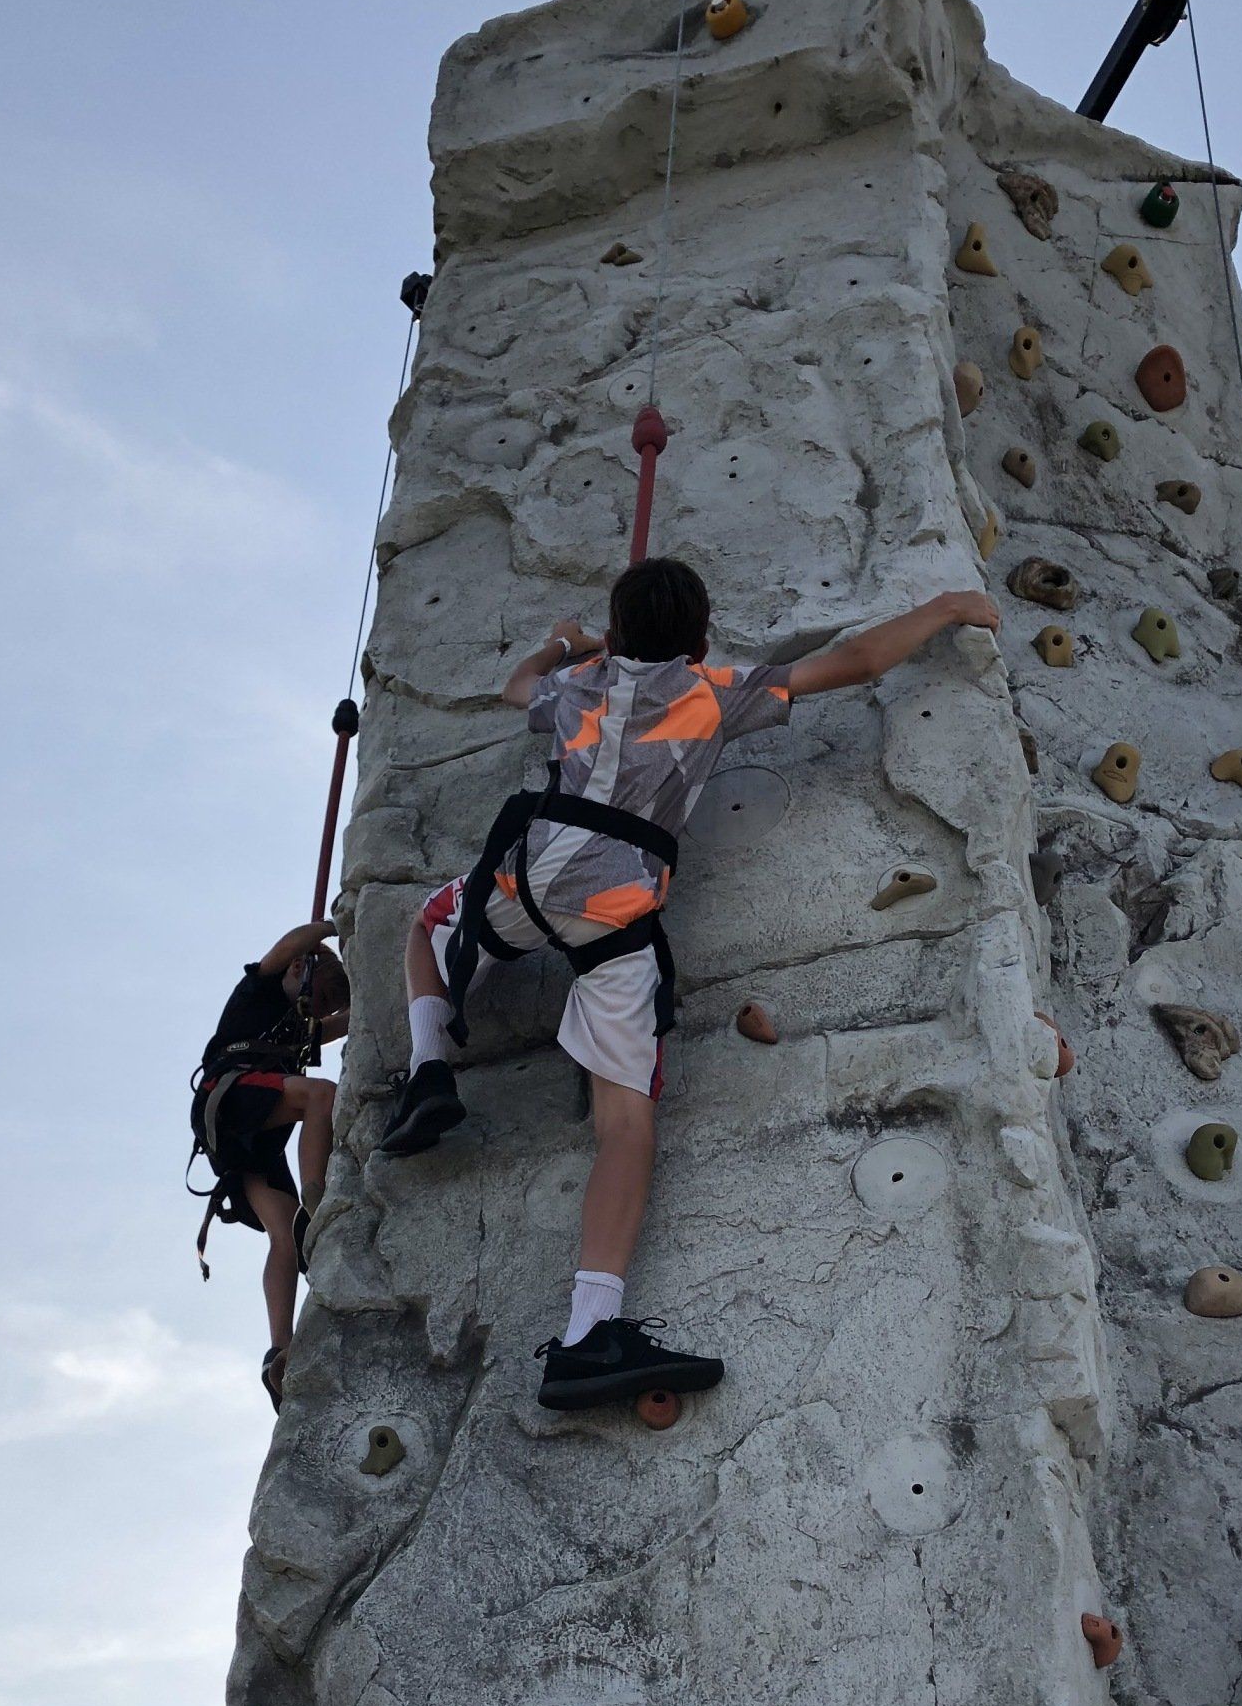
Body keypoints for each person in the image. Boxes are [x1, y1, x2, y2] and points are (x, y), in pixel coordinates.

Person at [375, 555, 1002, 1410]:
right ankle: (590, 1330)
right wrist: (941, 607)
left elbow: (514, 686)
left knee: (429, 924)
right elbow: (849, 665)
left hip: (523, 876)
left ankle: (427, 1073)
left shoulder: (576, 689)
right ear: (701, 634)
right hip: (616, 909)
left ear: (617, 628)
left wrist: (566, 642)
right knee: (625, 1123)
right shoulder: (712, 689)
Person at [190, 924, 349, 1408]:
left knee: (283, 1237)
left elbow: (351, 1018)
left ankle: (279, 1351)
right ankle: (316, 1194)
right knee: (320, 1095)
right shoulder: (259, 991)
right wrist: (330, 928)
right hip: (231, 1097)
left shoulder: (302, 1026)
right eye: (317, 1000)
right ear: (300, 971)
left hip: (245, 1138)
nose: (316, 1016)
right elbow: (285, 947)